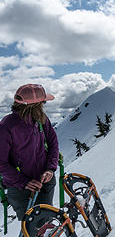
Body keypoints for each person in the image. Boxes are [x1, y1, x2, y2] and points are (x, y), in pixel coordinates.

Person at [0, 84, 59, 221]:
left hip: (45, 181)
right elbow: (1, 163)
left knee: (47, 222)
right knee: (32, 228)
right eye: (42, 103)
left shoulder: (41, 119)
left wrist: (50, 169)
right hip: (20, 188)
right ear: (35, 106)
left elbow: (53, 143)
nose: (44, 106)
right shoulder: (7, 126)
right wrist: (23, 181)